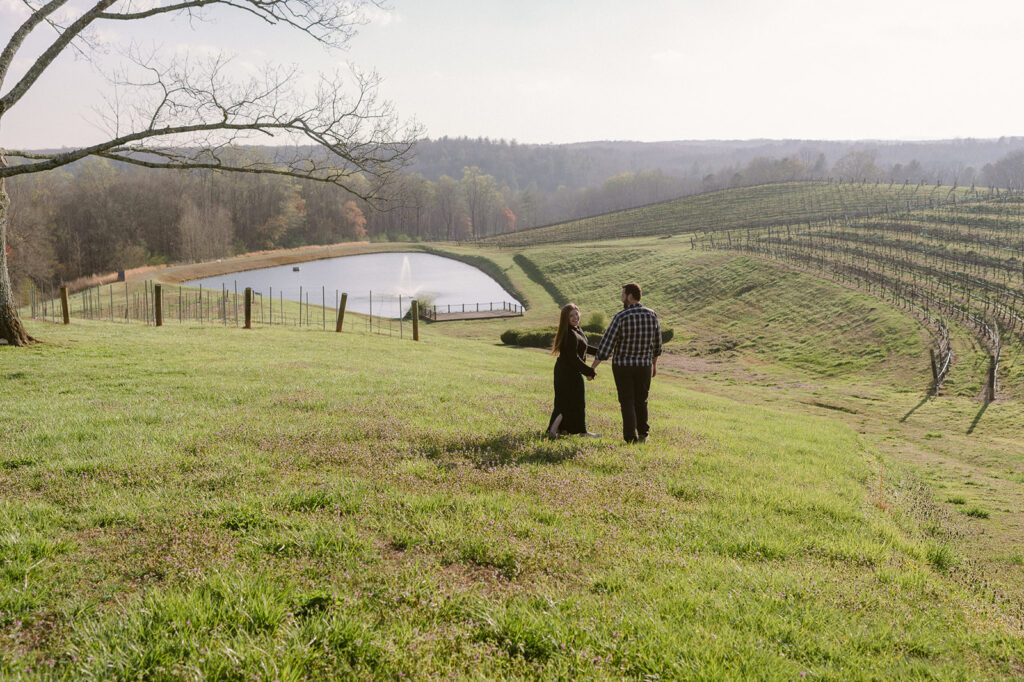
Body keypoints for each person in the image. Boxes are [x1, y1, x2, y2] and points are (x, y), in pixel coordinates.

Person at [591, 283, 662, 443]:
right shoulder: (652, 315)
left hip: (623, 366)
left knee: (627, 401)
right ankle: (644, 434)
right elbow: (657, 345)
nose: (621, 298)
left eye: (623, 295)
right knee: (641, 400)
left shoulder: (620, 317)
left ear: (630, 296)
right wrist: (654, 365)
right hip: (644, 366)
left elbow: (606, 345)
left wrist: (593, 367)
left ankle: (630, 437)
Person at [547, 303, 600, 437]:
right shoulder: (569, 333)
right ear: (566, 318)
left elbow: (584, 347)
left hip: (571, 372)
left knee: (576, 402)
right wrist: (589, 371)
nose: (575, 317)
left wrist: (601, 352)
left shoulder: (576, 329)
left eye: (576, 314)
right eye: (571, 316)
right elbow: (573, 358)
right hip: (566, 373)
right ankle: (552, 431)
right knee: (566, 403)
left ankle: (575, 431)